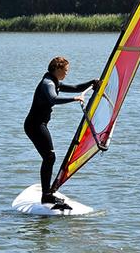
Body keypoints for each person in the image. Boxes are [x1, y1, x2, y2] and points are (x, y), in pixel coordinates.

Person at [24, 56, 98, 206]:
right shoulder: (47, 83)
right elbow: (53, 99)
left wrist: (92, 82)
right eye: (65, 70)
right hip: (35, 125)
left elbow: (76, 87)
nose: (66, 73)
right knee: (49, 157)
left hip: (39, 124)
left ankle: (47, 193)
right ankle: (46, 195)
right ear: (57, 69)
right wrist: (74, 99)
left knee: (49, 157)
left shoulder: (54, 82)